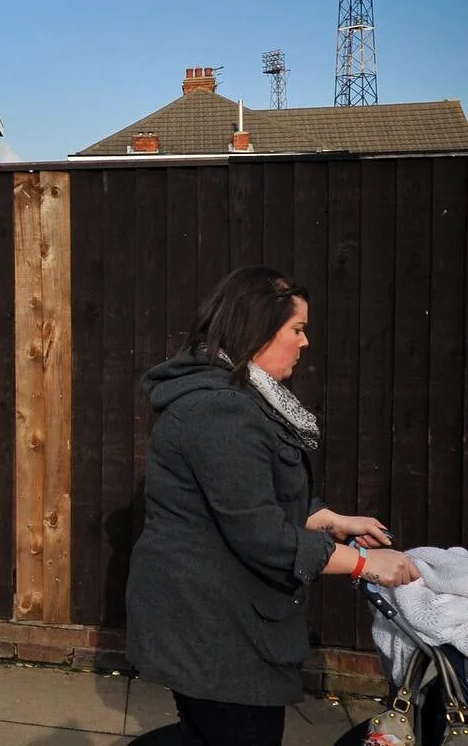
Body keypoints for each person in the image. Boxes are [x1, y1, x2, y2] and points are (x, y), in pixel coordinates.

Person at [126, 265, 420, 746]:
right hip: (212, 629)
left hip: (221, 619)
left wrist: (327, 519)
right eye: (297, 329)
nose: (305, 342)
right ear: (259, 329)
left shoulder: (241, 398)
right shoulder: (220, 411)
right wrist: (364, 564)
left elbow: (249, 496)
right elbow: (260, 533)